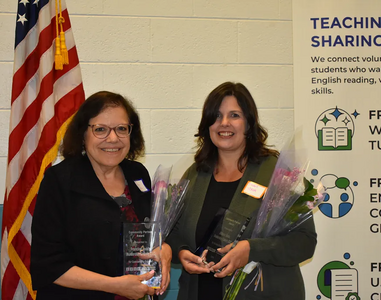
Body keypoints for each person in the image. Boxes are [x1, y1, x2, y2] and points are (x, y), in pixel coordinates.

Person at [166, 82, 317, 300]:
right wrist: (180, 251)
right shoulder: (195, 174)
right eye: (216, 116)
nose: (224, 123)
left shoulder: (278, 175)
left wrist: (251, 249)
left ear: (248, 123)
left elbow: (304, 242)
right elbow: (172, 231)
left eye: (234, 115)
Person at [31, 91, 172, 300]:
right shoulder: (59, 181)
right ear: (83, 134)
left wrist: (165, 249)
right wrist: (114, 286)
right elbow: (48, 265)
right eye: (100, 129)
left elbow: (148, 234)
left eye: (122, 129)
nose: (113, 138)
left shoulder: (137, 175)